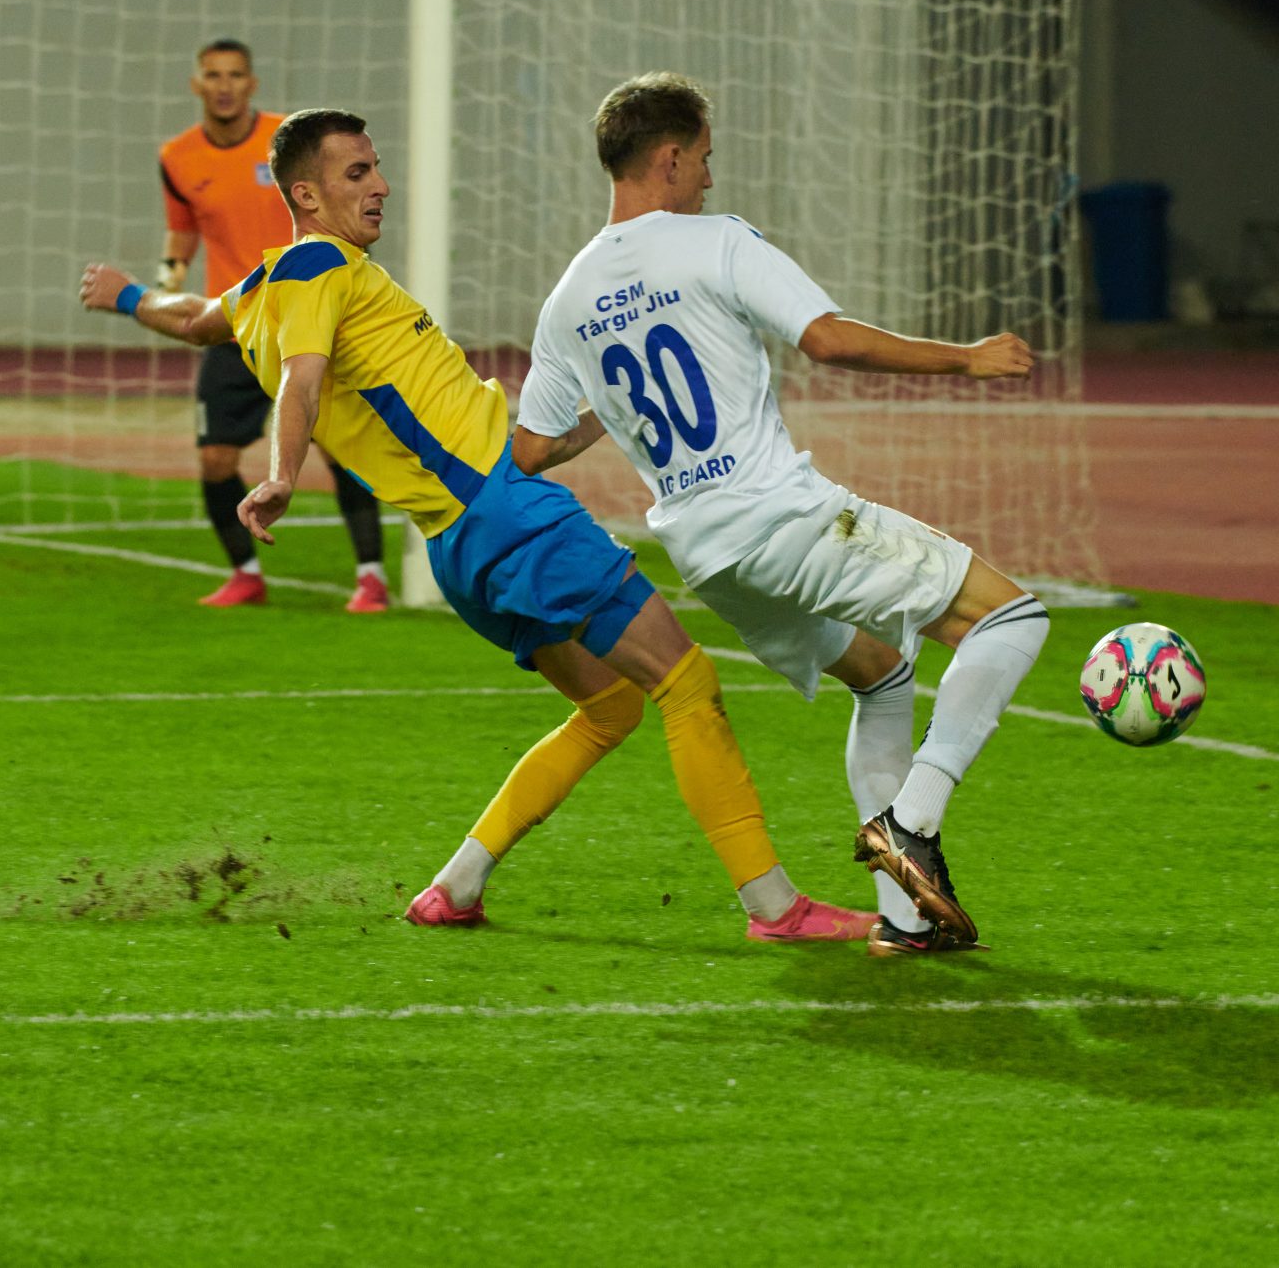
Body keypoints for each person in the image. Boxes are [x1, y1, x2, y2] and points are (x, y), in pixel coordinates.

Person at [81, 108, 872, 944]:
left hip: (460, 545)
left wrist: (127, 296)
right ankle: (775, 908)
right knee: (687, 682)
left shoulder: (261, 288)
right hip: (509, 516)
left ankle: (455, 887)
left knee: (611, 708)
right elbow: (302, 379)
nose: (382, 185)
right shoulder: (316, 265)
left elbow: (197, 318)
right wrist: (282, 472)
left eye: (377, 167)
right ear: (305, 195)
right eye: (357, 173)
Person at [510, 73, 1050, 957]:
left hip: (710, 559)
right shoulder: (717, 240)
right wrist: (965, 358)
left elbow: (533, 448)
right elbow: (827, 339)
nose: (711, 178)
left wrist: (606, 408)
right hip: (783, 519)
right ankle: (911, 821)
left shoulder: (568, 297)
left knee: (881, 674)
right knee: (1013, 618)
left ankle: (908, 917)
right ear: (669, 157)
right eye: (704, 158)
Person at [158, 38, 387, 612]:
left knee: (338, 448)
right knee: (215, 459)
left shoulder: (289, 144)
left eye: (235, 75)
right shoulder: (178, 157)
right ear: (197, 85)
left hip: (306, 315)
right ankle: (245, 574)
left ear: (252, 83)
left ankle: (371, 577)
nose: (225, 86)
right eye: (214, 75)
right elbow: (182, 228)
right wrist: (169, 275)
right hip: (237, 324)